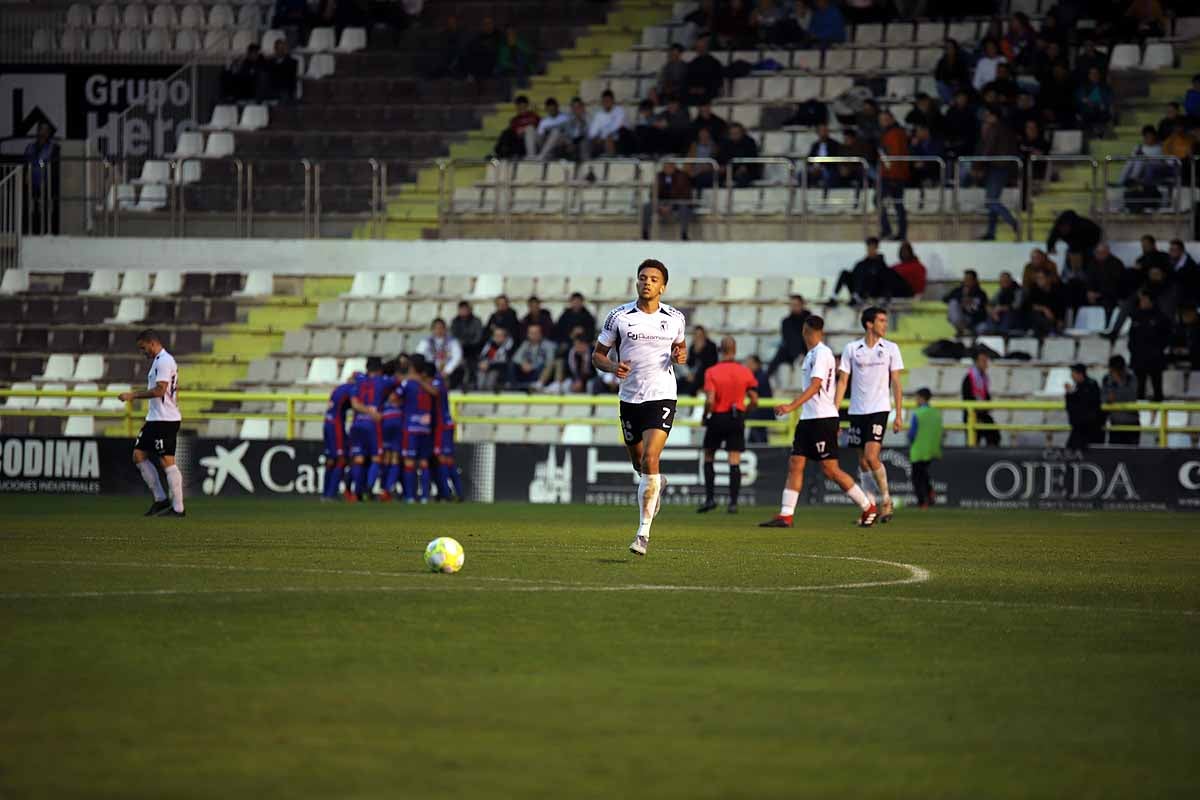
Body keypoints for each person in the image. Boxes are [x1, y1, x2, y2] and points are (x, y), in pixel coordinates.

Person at [592, 259, 688, 556]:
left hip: (662, 395)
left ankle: (642, 534)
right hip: (629, 398)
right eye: (643, 277)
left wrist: (679, 356)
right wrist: (611, 367)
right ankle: (657, 483)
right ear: (637, 282)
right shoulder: (618, 316)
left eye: (653, 279)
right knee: (640, 464)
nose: (647, 282)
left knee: (650, 458)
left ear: (663, 286)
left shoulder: (675, 318)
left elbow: (680, 349)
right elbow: (597, 355)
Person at [760, 315, 877, 528]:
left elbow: (815, 386)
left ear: (806, 331)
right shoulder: (812, 354)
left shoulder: (822, 354)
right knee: (795, 463)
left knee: (830, 470)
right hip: (809, 419)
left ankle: (868, 507)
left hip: (822, 419)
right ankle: (786, 515)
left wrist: (790, 406)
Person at [834, 307, 904, 524]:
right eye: (881, 320)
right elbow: (843, 381)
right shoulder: (852, 348)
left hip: (879, 409)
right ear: (869, 324)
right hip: (857, 411)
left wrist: (898, 413)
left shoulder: (891, 348)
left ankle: (886, 500)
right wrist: (834, 412)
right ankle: (870, 509)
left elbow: (897, 383)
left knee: (872, 456)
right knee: (863, 461)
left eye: (885, 320)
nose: (885, 324)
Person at [119, 330, 185, 517]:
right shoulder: (159, 361)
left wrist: (133, 395)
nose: (143, 352)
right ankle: (161, 499)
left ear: (151, 343)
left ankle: (178, 508)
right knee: (138, 455)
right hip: (155, 418)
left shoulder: (164, 361)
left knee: (167, 461)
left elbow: (160, 390)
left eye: (143, 348)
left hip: (165, 420)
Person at [698, 337, 759, 514]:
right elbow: (755, 399)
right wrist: (745, 411)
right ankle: (733, 503)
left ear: (720, 350)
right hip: (736, 417)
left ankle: (710, 499)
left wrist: (704, 416)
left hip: (718, 416)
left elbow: (709, 400)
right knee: (734, 459)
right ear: (735, 350)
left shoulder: (712, 372)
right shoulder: (745, 372)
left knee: (709, 455)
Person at [397, 360, 440, 503]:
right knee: (423, 462)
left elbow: (394, 398)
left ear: (412, 368)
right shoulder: (430, 384)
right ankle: (425, 497)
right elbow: (435, 393)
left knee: (409, 462)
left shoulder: (408, 383)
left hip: (411, 428)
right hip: (425, 428)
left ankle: (410, 496)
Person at [320, 374, 365, 502]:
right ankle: (331, 494)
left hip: (327, 423)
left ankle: (325, 493)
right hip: (336, 425)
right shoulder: (352, 388)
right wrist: (370, 411)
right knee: (341, 459)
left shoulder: (339, 388)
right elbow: (355, 404)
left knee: (330, 460)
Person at [978, 108, 1021, 241]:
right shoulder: (1005, 129)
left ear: (993, 116)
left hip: (997, 167)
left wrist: (979, 165)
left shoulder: (995, 129)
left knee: (991, 201)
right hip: (1003, 167)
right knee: (992, 200)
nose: (985, 118)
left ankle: (1013, 222)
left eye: (987, 115)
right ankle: (991, 232)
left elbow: (989, 149)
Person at [429, 361, 465, 501]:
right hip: (438, 426)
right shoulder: (434, 381)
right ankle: (445, 491)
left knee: (445, 460)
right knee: (440, 461)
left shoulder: (436, 382)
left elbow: (435, 391)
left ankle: (452, 493)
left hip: (443, 426)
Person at [1129, 291, 1172, 401]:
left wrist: (1157, 349)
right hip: (1138, 357)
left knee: (1157, 386)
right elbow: (1132, 336)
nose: (1142, 302)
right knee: (1139, 387)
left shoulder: (1161, 317)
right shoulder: (1136, 316)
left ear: (1151, 301)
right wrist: (1132, 349)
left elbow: (1167, 337)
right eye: (1141, 300)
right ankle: (1139, 408)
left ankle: (1159, 410)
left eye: (1145, 300)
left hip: (1155, 357)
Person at [907, 388, 943, 509]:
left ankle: (922, 502)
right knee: (923, 473)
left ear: (921, 398)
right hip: (932, 449)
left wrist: (911, 441)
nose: (916, 400)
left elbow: (912, 433)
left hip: (918, 449)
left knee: (916, 477)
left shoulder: (918, 413)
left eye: (917, 398)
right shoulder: (936, 413)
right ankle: (930, 493)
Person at [877, 109, 909, 242]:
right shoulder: (890, 133)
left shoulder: (894, 133)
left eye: (885, 119)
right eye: (881, 120)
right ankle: (896, 232)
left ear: (892, 119)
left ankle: (891, 231)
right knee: (896, 203)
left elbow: (895, 156)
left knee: (893, 203)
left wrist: (893, 176)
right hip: (891, 173)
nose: (883, 122)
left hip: (893, 175)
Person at [1119, 126, 1167, 213]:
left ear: (1154, 136)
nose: (1149, 139)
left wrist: (1146, 158)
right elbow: (1131, 161)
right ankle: (1122, 181)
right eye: (1147, 137)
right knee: (1133, 160)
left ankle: (1132, 179)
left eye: (1150, 136)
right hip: (1139, 168)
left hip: (1152, 169)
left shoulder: (1159, 148)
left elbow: (1161, 163)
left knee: (1141, 159)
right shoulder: (1139, 147)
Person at [642, 160, 694, 241]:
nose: (667, 169)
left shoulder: (682, 176)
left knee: (685, 208)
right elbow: (653, 193)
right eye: (665, 167)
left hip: (677, 203)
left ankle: (684, 234)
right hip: (661, 203)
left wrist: (671, 206)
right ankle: (645, 233)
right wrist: (660, 206)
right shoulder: (659, 176)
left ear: (674, 167)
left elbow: (686, 194)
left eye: (669, 167)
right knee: (647, 207)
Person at [23, 122, 60, 235]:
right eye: (41, 130)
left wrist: (39, 163)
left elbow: (50, 164)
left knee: (46, 208)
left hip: (47, 183)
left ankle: (47, 231)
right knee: (31, 208)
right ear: (37, 131)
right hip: (32, 181)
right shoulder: (31, 146)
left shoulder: (53, 147)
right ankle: (31, 231)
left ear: (49, 133)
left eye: (46, 130)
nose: (43, 132)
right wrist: (28, 173)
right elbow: (27, 162)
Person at [831, 237, 886, 305]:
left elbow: (882, 279)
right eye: (869, 247)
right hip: (857, 289)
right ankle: (834, 297)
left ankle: (857, 296)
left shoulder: (880, 263)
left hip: (870, 292)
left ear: (876, 248)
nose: (870, 250)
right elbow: (854, 276)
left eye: (872, 247)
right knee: (844, 273)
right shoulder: (861, 263)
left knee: (865, 272)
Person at [961, 351, 1000, 447]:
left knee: (994, 436)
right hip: (972, 415)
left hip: (983, 413)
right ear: (976, 362)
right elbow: (967, 398)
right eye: (983, 361)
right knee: (973, 441)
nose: (986, 363)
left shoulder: (984, 378)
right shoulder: (969, 378)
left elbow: (986, 395)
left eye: (986, 361)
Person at [766, 295, 810, 377]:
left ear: (802, 305)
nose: (794, 307)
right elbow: (788, 339)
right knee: (781, 351)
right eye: (792, 305)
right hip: (792, 351)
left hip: (808, 350)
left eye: (796, 305)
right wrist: (798, 353)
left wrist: (803, 352)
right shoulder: (786, 321)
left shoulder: (810, 319)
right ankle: (764, 380)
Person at [416, 318, 464, 389]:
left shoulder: (453, 341)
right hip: (431, 371)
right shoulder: (425, 342)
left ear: (445, 329)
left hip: (449, 372)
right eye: (436, 328)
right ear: (432, 329)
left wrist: (447, 370)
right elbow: (419, 356)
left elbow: (457, 357)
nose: (439, 330)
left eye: (441, 328)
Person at [1064, 363, 1103, 451]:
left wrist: (1071, 394)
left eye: (1073, 373)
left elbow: (1084, 405)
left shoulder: (1091, 386)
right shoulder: (1078, 387)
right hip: (1080, 427)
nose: (1071, 376)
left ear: (1079, 374)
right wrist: (1069, 394)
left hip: (1088, 428)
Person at [1102, 355, 1139, 445]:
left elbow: (1132, 398)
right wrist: (1108, 398)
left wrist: (1119, 382)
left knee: (1132, 454)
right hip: (1115, 423)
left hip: (1132, 423)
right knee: (1115, 454)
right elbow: (1103, 397)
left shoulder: (1131, 378)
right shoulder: (1106, 379)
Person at [512, 323, 559, 390]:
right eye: (531, 333)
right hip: (525, 371)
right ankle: (512, 385)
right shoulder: (526, 344)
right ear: (528, 334)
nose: (533, 335)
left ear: (541, 334)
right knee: (512, 364)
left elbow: (550, 360)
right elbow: (516, 357)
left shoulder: (548, 345)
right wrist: (523, 363)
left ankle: (538, 385)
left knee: (547, 364)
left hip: (540, 371)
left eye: (535, 333)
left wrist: (532, 366)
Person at [944, 270, 989, 335]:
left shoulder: (980, 294)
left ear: (974, 281)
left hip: (975, 321)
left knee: (984, 328)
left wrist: (970, 301)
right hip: (962, 319)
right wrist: (961, 298)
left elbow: (982, 312)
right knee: (953, 303)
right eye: (965, 279)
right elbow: (945, 299)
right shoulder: (959, 290)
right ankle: (964, 330)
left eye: (969, 279)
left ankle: (966, 332)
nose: (967, 281)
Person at [451, 301, 484, 387]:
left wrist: (466, 343)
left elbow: (478, 338)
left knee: (472, 361)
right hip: (459, 350)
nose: (463, 311)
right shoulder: (455, 322)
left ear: (470, 310)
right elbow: (454, 338)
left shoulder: (476, 321)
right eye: (461, 309)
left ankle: (472, 383)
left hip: (474, 350)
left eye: (465, 309)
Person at [684, 35, 724, 106]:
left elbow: (718, 82)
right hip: (694, 93)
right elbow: (687, 80)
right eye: (698, 47)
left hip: (708, 92)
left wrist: (704, 89)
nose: (700, 49)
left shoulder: (714, 63)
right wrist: (693, 89)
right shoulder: (693, 63)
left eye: (702, 47)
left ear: (706, 47)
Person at [587, 90, 628, 157]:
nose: (606, 103)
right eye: (604, 101)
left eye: (608, 101)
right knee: (591, 140)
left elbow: (616, 127)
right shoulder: (599, 114)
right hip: (603, 139)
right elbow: (592, 132)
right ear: (602, 102)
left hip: (620, 137)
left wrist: (603, 136)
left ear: (613, 101)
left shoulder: (619, 110)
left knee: (609, 137)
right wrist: (596, 137)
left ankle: (611, 160)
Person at [1075, 66, 1113, 134]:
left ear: (1099, 75)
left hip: (1101, 112)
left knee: (1104, 113)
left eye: (1096, 74)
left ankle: (1100, 133)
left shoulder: (1105, 87)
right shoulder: (1084, 87)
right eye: (1092, 74)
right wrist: (1088, 101)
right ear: (1089, 75)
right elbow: (1080, 98)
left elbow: (1108, 100)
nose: (1094, 76)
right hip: (1087, 112)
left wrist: (1100, 104)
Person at [684, 325, 719, 395]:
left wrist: (700, 352)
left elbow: (710, 364)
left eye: (700, 335)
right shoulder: (692, 347)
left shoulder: (711, 346)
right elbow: (690, 363)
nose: (698, 338)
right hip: (695, 376)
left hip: (707, 375)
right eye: (696, 335)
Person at [934, 39, 971, 105]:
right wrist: (948, 81)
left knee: (960, 88)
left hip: (959, 85)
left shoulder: (961, 60)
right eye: (947, 48)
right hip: (947, 85)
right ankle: (952, 102)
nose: (950, 50)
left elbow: (965, 75)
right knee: (940, 84)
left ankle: (956, 101)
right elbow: (938, 76)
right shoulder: (942, 61)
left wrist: (957, 81)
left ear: (955, 48)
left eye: (951, 47)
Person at [263, 37, 299, 103]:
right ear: (275, 49)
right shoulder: (269, 62)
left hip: (285, 89)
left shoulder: (292, 62)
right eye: (278, 48)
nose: (280, 51)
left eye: (282, 49)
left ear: (285, 49)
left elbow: (291, 79)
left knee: (283, 95)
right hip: (272, 88)